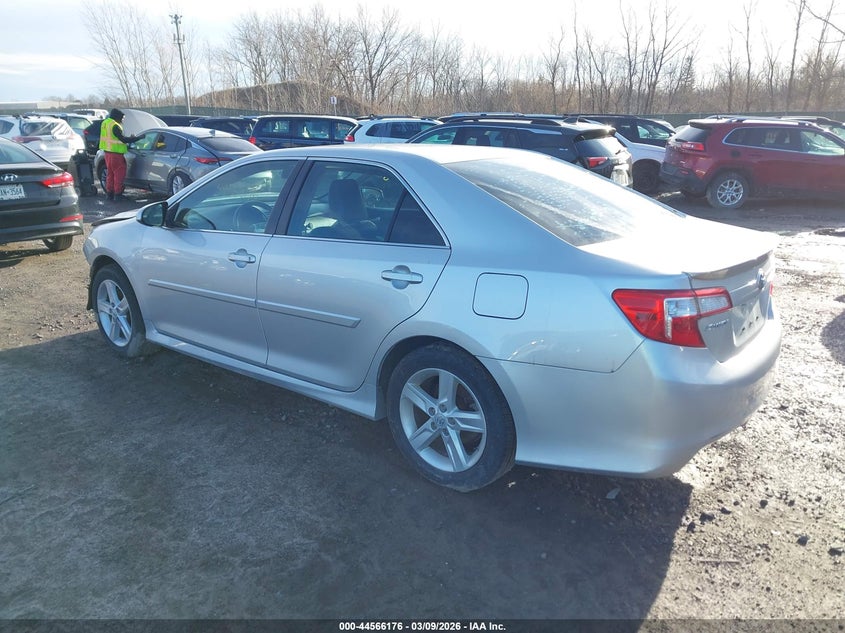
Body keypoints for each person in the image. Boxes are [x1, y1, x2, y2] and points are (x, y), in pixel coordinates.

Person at [99, 108, 141, 201]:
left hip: (107, 152)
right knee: (119, 174)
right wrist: (137, 138)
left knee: (110, 174)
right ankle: (118, 194)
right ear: (117, 117)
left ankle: (109, 193)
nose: (122, 120)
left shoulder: (105, 123)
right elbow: (123, 139)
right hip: (116, 154)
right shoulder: (115, 125)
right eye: (122, 118)